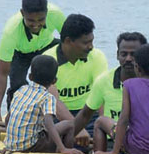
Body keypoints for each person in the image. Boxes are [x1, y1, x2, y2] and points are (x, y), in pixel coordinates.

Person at [0, 0, 65, 121]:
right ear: (22, 13)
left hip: (47, 47)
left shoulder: (56, 14)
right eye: (30, 20)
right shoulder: (11, 31)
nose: (36, 25)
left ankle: (58, 111)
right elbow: (2, 74)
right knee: (18, 85)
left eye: (41, 20)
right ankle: (15, 118)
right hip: (21, 54)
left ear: (47, 13)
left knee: (56, 76)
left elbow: (69, 40)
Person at [41, 13, 108, 145]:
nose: (91, 47)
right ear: (68, 41)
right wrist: (77, 128)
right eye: (85, 43)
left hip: (87, 114)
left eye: (92, 41)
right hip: (57, 116)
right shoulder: (48, 60)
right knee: (49, 142)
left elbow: (102, 97)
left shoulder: (97, 57)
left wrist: (104, 127)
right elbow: (54, 101)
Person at [4, 55, 85, 154]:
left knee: (46, 130)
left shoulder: (21, 90)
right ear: (54, 81)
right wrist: (63, 148)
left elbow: (8, 118)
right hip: (31, 147)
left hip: (13, 145)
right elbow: (48, 122)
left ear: (30, 77)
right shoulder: (47, 98)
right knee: (69, 125)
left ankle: (57, 150)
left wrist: (10, 143)